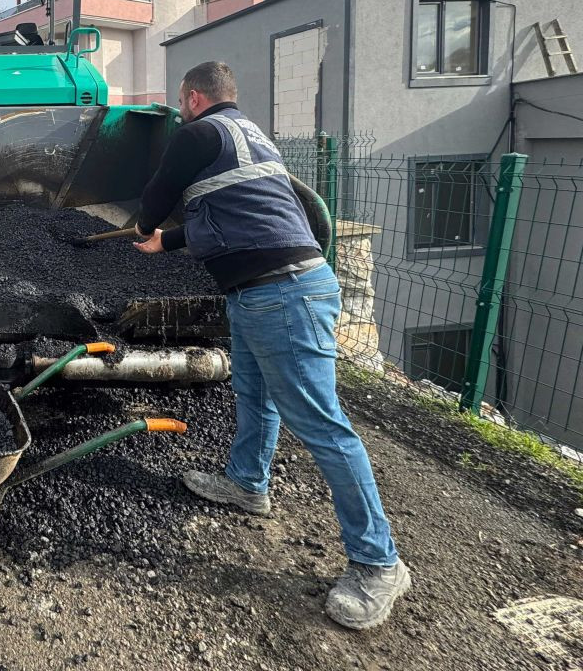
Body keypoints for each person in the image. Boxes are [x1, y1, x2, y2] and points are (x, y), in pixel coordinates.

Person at [133, 61, 410, 631]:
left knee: (323, 426)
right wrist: (170, 242)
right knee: (252, 391)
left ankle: (379, 562)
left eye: (183, 102)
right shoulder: (250, 138)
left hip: (284, 293)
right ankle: (247, 484)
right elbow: (244, 216)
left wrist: (143, 227)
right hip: (263, 291)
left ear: (192, 98)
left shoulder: (197, 133)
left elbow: (156, 197)